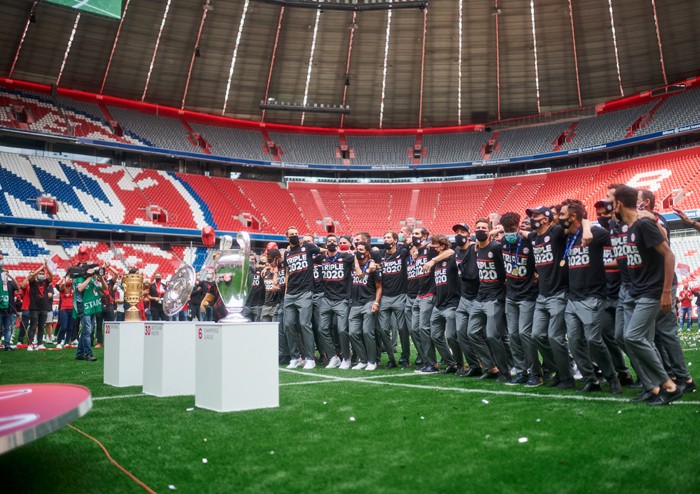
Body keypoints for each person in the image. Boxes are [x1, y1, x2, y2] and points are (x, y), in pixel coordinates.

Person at [613, 185, 682, 405]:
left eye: (610, 201)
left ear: (619, 204)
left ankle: (669, 386)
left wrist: (666, 293)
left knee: (633, 336)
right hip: (636, 291)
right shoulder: (632, 226)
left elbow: (669, 256)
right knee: (629, 337)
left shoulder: (643, 225)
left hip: (651, 292)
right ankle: (655, 387)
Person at [559, 200, 622, 394]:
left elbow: (619, 251)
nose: (559, 218)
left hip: (593, 296)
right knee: (575, 342)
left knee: (594, 340)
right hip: (573, 299)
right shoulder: (566, 236)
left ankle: (612, 378)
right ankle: (591, 379)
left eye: (562, 214)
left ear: (573, 217)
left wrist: (587, 226)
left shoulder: (597, 234)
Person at [527, 206, 575, 389]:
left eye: (536, 215)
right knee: (537, 335)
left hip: (559, 293)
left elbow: (572, 227)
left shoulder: (555, 231)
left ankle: (567, 378)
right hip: (542, 294)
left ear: (546, 218)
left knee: (555, 337)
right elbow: (523, 234)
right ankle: (560, 370)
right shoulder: (533, 237)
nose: (533, 218)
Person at [499, 212, 541, 386]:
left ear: (518, 226)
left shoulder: (528, 242)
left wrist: (537, 273)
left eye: (512, 229)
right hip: (511, 294)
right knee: (513, 335)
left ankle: (535, 372)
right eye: (506, 229)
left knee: (525, 334)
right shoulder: (503, 242)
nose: (509, 232)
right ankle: (521, 371)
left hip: (528, 295)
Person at [467, 219, 510, 382]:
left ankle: (504, 371)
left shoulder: (496, 248)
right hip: (480, 297)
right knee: (472, 332)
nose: (480, 230)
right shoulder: (476, 249)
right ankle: (489, 366)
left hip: (495, 298)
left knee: (493, 335)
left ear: (490, 231)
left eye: (484, 228)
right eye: (477, 228)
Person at [283, 226, 324, 369]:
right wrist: (286, 292)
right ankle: (295, 358)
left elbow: (323, 251)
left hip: (305, 292)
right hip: (290, 294)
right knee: (288, 325)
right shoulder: (286, 254)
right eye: (292, 234)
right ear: (286, 237)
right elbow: (287, 273)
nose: (295, 236)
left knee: (305, 324)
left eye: (296, 234)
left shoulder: (307, 247)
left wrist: (338, 251)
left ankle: (310, 357)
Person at [316, 234, 356, 369]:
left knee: (342, 330)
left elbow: (362, 257)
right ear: (326, 244)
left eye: (334, 241)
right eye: (329, 241)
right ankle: (333, 357)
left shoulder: (346, 257)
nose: (332, 243)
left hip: (342, 299)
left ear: (338, 244)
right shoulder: (322, 258)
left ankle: (346, 358)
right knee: (322, 328)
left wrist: (351, 251)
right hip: (326, 298)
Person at [377, 231, 411, 368]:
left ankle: (405, 357)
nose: (386, 239)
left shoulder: (402, 253)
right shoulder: (380, 254)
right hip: (385, 297)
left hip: (400, 296)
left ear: (395, 240)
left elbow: (411, 245)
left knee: (403, 329)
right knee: (383, 329)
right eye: (384, 237)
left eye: (389, 237)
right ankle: (391, 359)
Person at [452, 223, 482, 377]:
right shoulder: (456, 251)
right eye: (456, 232)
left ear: (469, 235)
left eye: (462, 232)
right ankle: (474, 365)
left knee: (477, 334)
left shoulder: (474, 248)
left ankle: (489, 364)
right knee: (460, 332)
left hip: (478, 297)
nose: (459, 234)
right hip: (464, 298)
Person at [427, 234, 460, 374]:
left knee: (451, 336)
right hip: (438, 304)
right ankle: (451, 363)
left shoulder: (451, 258)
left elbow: (451, 251)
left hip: (451, 303)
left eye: (434, 246)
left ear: (441, 246)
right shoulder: (438, 262)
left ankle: (460, 364)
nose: (432, 248)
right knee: (435, 336)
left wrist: (433, 261)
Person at [348, 241, 382, 370]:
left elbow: (379, 287)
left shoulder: (373, 266)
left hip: (368, 301)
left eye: (361, 250)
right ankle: (362, 360)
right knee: (352, 333)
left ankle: (372, 361)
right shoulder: (352, 265)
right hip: (355, 303)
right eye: (357, 249)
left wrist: (376, 302)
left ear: (367, 252)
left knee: (367, 332)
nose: (358, 252)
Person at [74, 263, 107, 362]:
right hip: (84, 308)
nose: (93, 271)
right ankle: (88, 353)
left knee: (87, 331)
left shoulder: (94, 280)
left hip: (92, 307)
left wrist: (101, 278)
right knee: (88, 331)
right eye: (91, 270)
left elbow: (104, 288)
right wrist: (89, 278)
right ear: (85, 271)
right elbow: (80, 289)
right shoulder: (79, 280)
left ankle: (79, 353)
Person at [27, 260, 54, 351]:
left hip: (44, 308)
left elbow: (51, 276)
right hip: (34, 308)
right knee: (33, 326)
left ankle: (39, 343)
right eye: (40, 273)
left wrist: (46, 267)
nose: (41, 275)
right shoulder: (33, 282)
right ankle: (30, 344)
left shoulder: (45, 282)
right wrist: (41, 268)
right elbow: (32, 276)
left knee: (42, 326)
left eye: (43, 273)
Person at [0, 251, 19, 351]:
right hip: (0, 308)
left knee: (8, 328)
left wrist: (11, 276)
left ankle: (7, 345)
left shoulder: (10, 283)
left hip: (9, 309)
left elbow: (18, 287)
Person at [55, 274, 75, 349]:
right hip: (64, 309)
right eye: (69, 278)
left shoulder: (73, 287)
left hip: (72, 309)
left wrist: (72, 279)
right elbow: (61, 285)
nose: (70, 279)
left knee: (70, 328)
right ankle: (59, 342)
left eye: (71, 278)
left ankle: (66, 342)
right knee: (64, 327)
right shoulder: (63, 288)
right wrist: (64, 279)